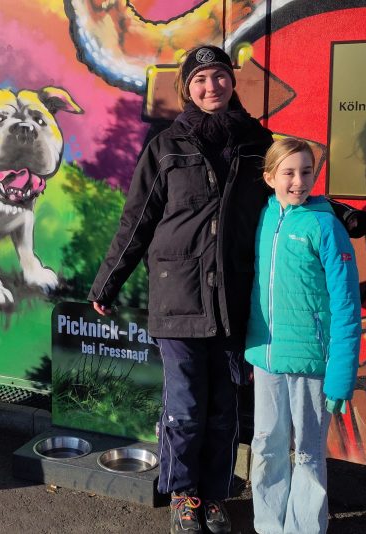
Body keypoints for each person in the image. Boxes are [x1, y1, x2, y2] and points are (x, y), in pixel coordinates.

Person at [88, 45, 274, 534]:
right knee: (187, 407)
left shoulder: (259, 144)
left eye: (219, 77)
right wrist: (108, 281)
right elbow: (138, 220)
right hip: (180, 298)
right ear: (187, 89)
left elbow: (288, 205)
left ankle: (215, 496)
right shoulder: (167, 146)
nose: (212, 86)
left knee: (224, 409)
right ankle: (184, 495)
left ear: (232, 82)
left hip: (235, 298)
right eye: (200, 80)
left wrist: (332, 217)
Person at [245, 137, 362, 534]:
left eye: (306, 172)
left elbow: (347, 304)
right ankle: (267, 524)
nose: (298, 181)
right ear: (269, 177)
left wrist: (342, 375)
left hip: (313, 361)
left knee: (308, 454)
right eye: (288, 173)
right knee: (266, 444)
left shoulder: (325, 225)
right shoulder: (262, 219)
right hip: (267, 358)